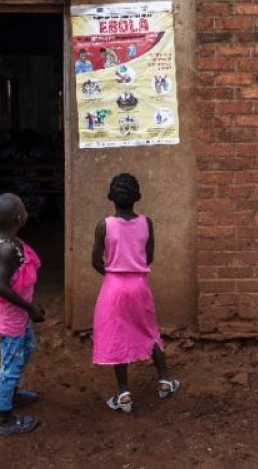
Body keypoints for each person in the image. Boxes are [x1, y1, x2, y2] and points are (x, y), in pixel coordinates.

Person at [92, 173, 180, 413]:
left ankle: (123, 394)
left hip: (113, 286)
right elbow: (148, 256)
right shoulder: (146, 223)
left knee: (117, 335)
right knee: (150, 330)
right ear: (137, 197)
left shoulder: (104, 225)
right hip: (139, 284)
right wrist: (133, 269)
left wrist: (113, 274)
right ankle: (164, 381)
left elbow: (95, 261)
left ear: (111, 197)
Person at [0, 193, 45, 436]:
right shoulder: (7, 249)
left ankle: (12, 395)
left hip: (17, 316)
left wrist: (28, 308)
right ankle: (4, 420)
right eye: (24, 208)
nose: (26, 211)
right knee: (10, 365)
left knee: (27, 348)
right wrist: (30, 308)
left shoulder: (11, 242)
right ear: (19, 217)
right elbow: (3, 287)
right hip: (11, 319)